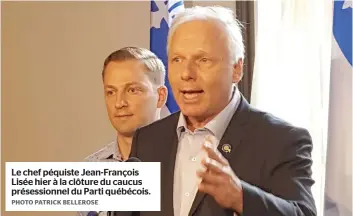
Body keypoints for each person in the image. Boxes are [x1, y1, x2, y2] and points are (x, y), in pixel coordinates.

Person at [113, 5, 318, 216]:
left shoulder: (280, 140)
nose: (186, 73)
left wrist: (240, 197)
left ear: (237, 69)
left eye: (203, 60)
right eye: (177, 60)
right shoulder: (148, 140)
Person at [78, 46, 168, 216]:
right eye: (111, 92)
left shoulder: (184, 162)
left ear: (161, 96)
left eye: (132, 90)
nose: (119, 103)